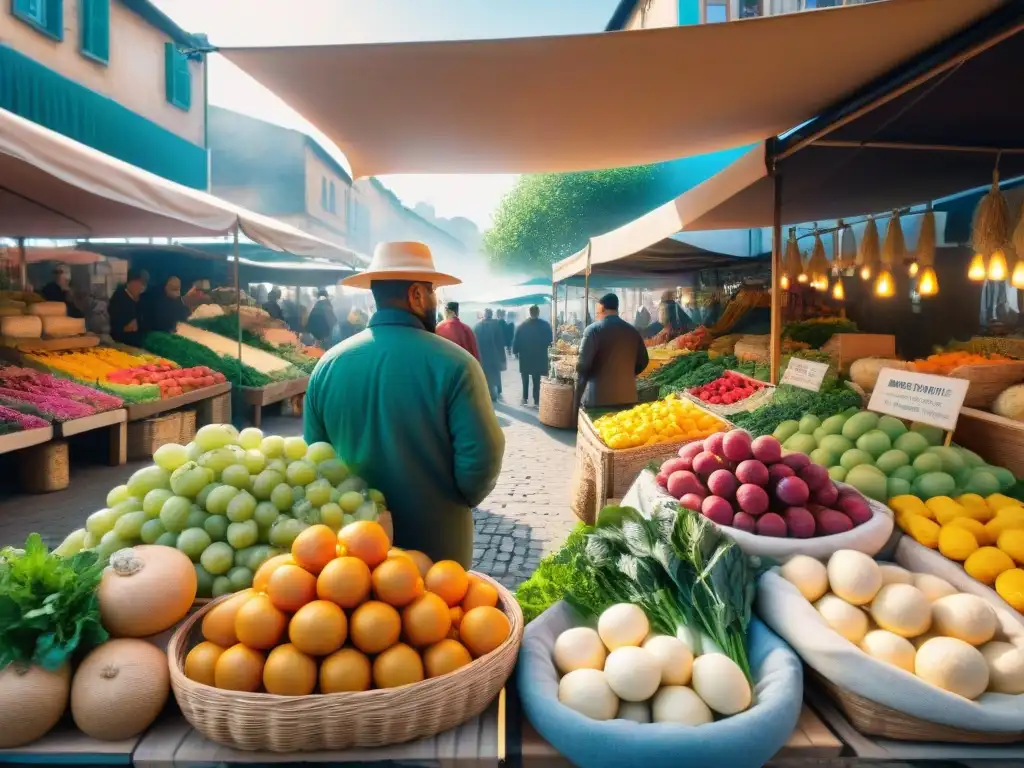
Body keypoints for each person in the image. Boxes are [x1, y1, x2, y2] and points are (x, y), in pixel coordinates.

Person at [304, 241, 504, 567]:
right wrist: (454, 501)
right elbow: (483, 456)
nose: (436, 301)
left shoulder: (327, 365)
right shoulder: (456, 363)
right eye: (433, 291)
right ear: (416, 295)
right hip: (438, 540)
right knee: (441, 616)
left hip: (353, 548)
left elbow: (315, 456)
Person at [574, 293, 649, 413]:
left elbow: (583, 366)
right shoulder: (632, 331)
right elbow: (644, 361)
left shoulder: (592, 330)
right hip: (628, 398)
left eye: (597, 312)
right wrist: (627, 375)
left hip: (598, 399)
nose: (597, 315)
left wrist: (577, 399)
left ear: (602, 308)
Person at [512, 304, 553, 407]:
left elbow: (516, 341)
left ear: (529, 313)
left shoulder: (522, 326)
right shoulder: (545, 325)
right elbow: (550, 341)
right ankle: (536, 400)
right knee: (536, 378)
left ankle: (524, 398)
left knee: (525, 378)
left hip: (525, 357)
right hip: (539, 357)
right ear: (538, 313)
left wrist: (515, 351)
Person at [107, 269, 147, 346]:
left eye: (144, 284)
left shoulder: (142, 299)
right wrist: (125, 328)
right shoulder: (118, 298)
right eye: (140, 283)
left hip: (138, 341)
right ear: (131, 282)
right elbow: (112, 327)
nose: (142, 287)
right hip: (120, 342)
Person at [474, 309, 507, 401]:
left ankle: (486, 393)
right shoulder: (496, 325)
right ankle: (495, 392)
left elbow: (474, 341)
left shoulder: (477, 326)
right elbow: (500, 342)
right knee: (494, 373)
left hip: (482, 355)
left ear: (484, 315)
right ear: (491, 315)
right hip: (493, 354)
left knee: (484, 374)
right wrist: (502, 357)